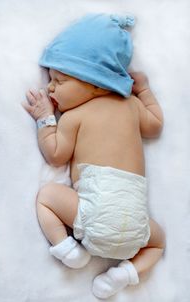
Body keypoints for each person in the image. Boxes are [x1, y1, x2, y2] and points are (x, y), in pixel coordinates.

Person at [22, 13, 165, 299]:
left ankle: (66, 249)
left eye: (59, 80)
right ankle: (124, 274)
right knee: (157, 243)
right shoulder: (133, 106)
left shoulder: (75, 116)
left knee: (47, 197)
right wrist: (145, 91)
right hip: (136, 227)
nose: (50, 88)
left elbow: (56, 155)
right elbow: (156, 126)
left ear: (98, 83)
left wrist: (45, 119)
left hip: (92, 216)